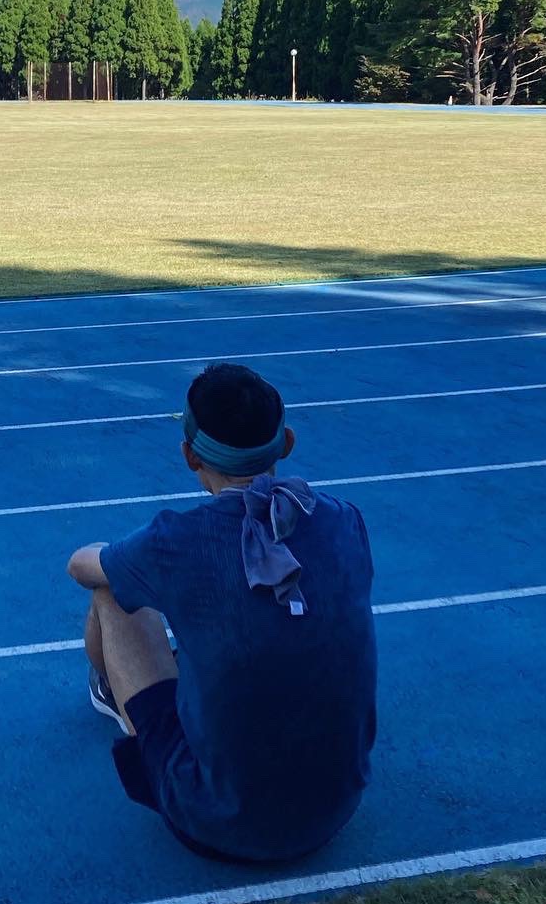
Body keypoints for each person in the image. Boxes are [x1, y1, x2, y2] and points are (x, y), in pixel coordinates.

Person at [66, 362, 377, 863]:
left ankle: (112, 693)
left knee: (112, 593)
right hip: (337, 809)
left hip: (217, 825)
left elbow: (81, 567)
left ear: (189, 455)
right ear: (287, 443)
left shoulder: (176, 542)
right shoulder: (343, 519)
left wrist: (118, 554)